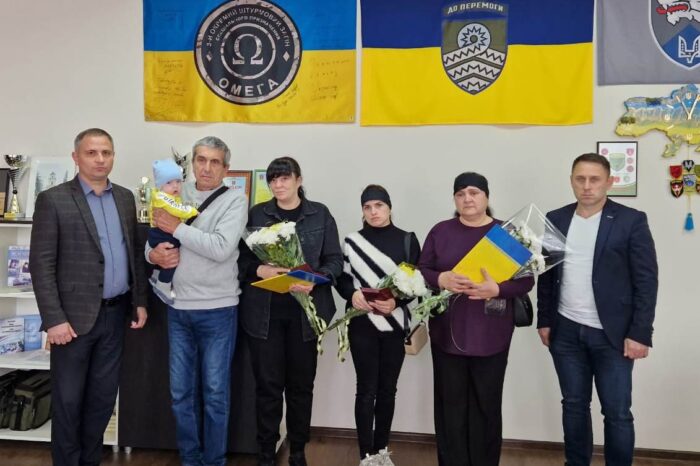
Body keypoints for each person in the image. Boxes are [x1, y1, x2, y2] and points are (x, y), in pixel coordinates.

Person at [30, 127, 148, 466]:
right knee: (68, 402)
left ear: (113, 156)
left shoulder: (124, 197)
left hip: (115, 315)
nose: (100, 159)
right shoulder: (53, 200)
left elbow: (133, 253)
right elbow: (41, 264)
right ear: (76, 157)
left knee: (101, 401)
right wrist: (54, 320)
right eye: (91, 153)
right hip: (71, 321)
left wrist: (139, 300)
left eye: (106, 153)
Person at [537, 153, 658, 466]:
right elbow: (546, 274)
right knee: (573, 405)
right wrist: (544, 320)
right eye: (580, 179)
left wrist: (640, 333)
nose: (587, 186)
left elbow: (646, 281)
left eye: (595, 179)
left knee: (617, 412)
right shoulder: (556, 218)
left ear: (609, 182)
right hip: (565, 331)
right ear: (571, 181)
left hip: (613, 335)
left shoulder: (631, 220)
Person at [418, 172, 534, 466]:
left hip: (491, 336)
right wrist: (441, 278)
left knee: (487, 406)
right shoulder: (441, 231)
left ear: (486, 197)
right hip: (447, 335)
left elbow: (527, 280)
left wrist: (498, 289)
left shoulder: (506, 234)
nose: (467, 199)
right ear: (454, 199)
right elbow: (421, 271)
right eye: (460, 194)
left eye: (474, 192)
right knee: (450, 407)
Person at [147, 136, 248, 466]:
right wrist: (153, 255)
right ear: (192, 163)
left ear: (225, 169)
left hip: (218, 310)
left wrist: (177, 228)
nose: (206, 167)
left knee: (215, 394)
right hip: (177, 308)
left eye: (214, 162)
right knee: (180, 394)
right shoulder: (175, 192)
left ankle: (214, 461)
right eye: (201, 160)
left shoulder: (235, 200)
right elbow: (153, 238)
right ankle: (190, 460)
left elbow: (221, 248)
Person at [238, 156, 343, 466]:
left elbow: (335, 260)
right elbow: (241, 261)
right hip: (264, 316)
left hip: (305, 316)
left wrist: (315, 279)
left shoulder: (320, 214)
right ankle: (265, 454)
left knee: (300, 388)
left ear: (299, 180)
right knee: (267, 388)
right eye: (273, 179)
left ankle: (298, 452)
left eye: (284, 178)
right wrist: (261, 270)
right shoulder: (257, 213)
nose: (278, 184)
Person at [335, 185, 421, 461]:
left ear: (389, 207)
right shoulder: (351, 242)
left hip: (394, 325)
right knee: (365, 390)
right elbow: (342, 279)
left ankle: (382, 451)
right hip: (362, 324)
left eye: (379, 205)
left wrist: (396, 302)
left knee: (387, 391)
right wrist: (352, 295)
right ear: (362, 211)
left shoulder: (407, 240)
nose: (373, 212)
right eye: (367, 207)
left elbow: (416, 283)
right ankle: (366, 456)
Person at [147, 158, 198, 303]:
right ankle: (163, 285)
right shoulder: (162, 197)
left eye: (178, 181)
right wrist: (192, 211)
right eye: (169, 182)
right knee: (173, 258)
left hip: (162, 233)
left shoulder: (170, 196)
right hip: (160, 234)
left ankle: (157, 275)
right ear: (160, 185)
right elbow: (177, 210)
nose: (175, 186)